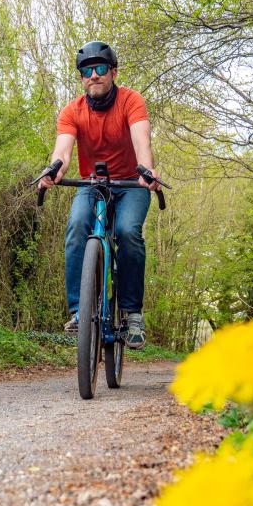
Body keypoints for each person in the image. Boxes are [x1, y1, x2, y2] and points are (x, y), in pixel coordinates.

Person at [39, 41, 161, 350]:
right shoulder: (72, 111)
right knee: (77, 225)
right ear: (81, 78)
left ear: (113, 72)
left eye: (101, 69)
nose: (93, 75)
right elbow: (63, 152)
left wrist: (147, 171)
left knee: (127, 232)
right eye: (86, 71)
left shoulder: (132, 101)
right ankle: (80, 311)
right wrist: (54, 170)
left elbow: (141, 142)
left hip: (132, 185)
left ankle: (133, 313)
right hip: (92, 185)